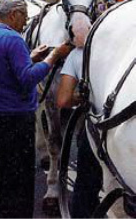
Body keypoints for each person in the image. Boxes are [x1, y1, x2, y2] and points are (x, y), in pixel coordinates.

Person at [0, 0, 72, 218]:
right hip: (17, 120)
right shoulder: (14, 39)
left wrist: (30, 57)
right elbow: (28, 79)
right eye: (24, 17)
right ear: (13, 14)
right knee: (20, 179)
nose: (25, 22)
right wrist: (53, 56)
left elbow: (5, 71)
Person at [56, 41, 103, 217]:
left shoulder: (77, 54)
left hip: (96, 130)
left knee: (85, 185)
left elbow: (63, 99)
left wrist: (80, 98)